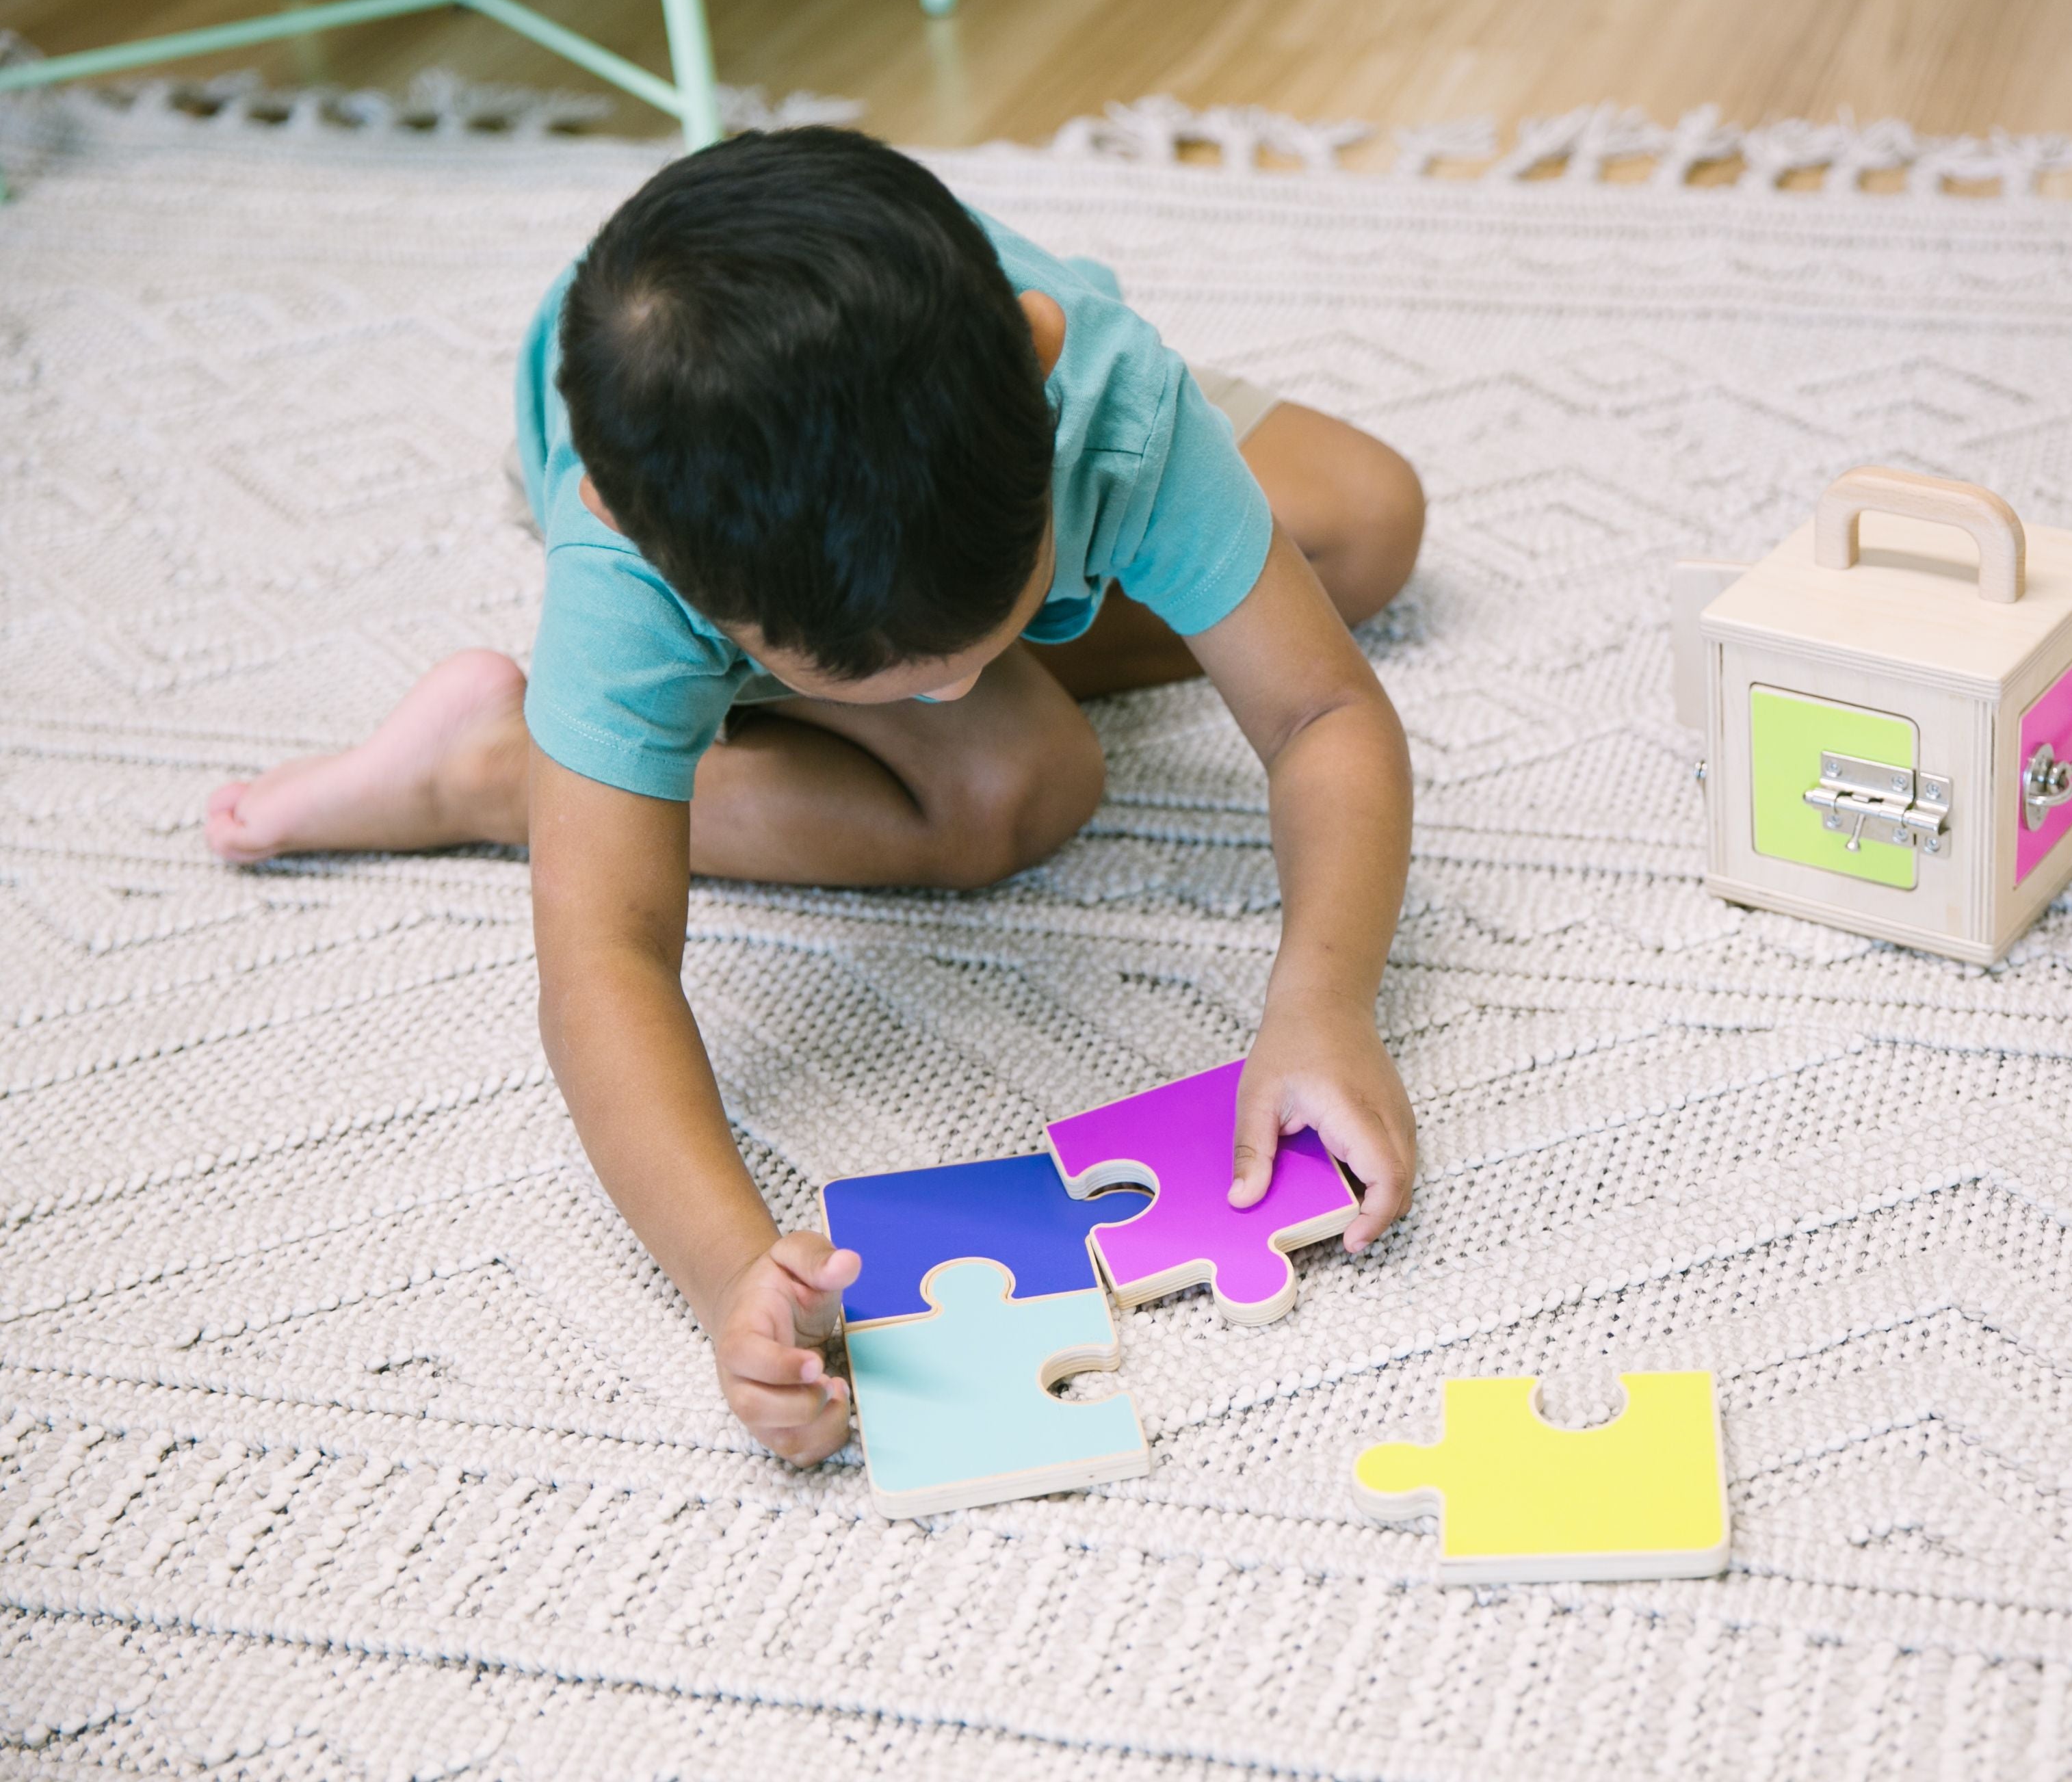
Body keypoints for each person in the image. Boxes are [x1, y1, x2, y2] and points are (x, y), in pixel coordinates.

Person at [202, 127, 1425, 1465]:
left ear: (1036, 362)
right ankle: (498, 770)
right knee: (1013, 781)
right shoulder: (632, 555)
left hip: (889, 386)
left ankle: (586, 748)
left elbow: (1321, 711)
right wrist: (734, 1272)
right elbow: (604, 959)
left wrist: (1323, 999)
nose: (954, 687)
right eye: (890, 673)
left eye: (988, 626)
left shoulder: (1103, 393)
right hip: (684, 438)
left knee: (1368, 518)